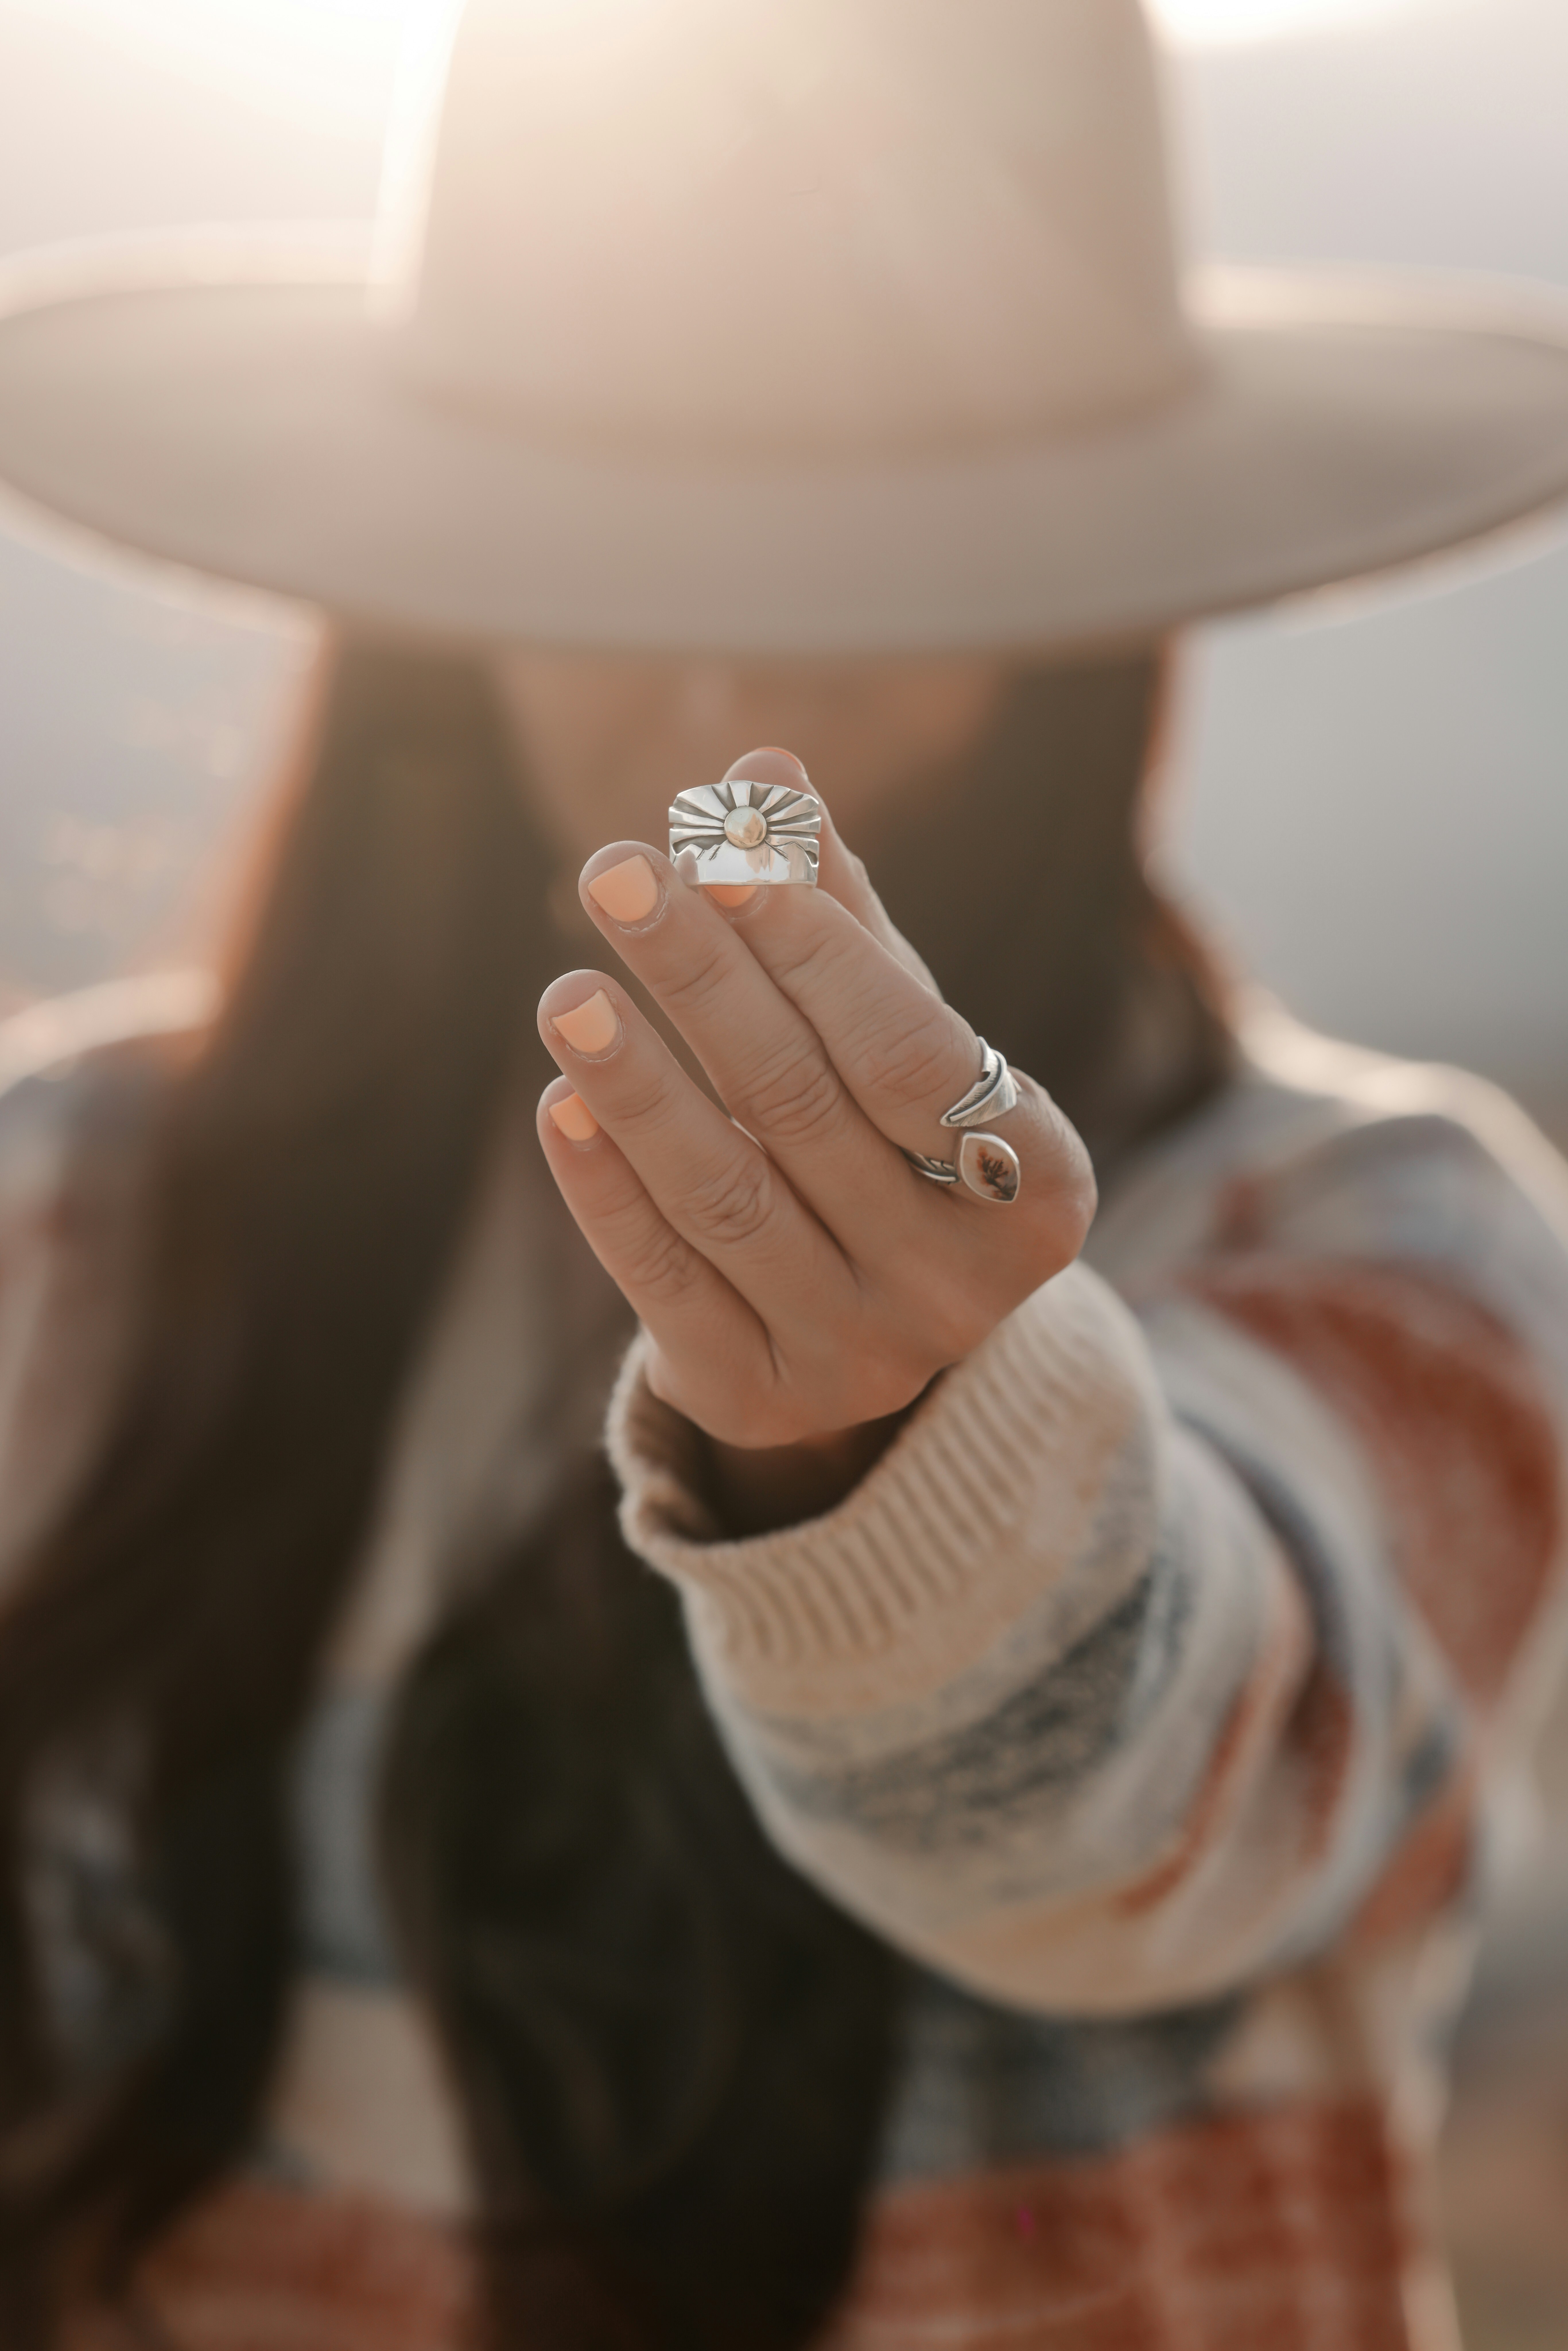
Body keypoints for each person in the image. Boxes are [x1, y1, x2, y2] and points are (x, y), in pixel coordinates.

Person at [0, 1, 1567, 2345]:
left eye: (868, 583)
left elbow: (1188, 1785)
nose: (727, 703)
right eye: (605, 563)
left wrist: (917, 1469)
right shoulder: (76, 1220)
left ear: (1076, 619)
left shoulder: (1379, 1240)